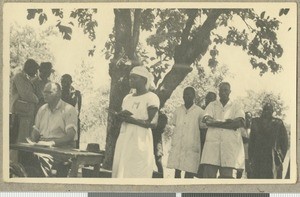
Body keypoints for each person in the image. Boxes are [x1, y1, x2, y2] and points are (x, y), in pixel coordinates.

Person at [112, 66, 159, 178]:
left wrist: (131, 120)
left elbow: (153, 123)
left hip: (140, 139)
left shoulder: (151, 97)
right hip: (124, 138)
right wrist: (119, 117)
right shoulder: (127, 98)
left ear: (143, 80)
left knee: (137, 172)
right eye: (130, 78)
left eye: (134, 78)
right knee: (122, 171)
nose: (130, 80)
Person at [26, 82, 78, 177]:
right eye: (44, 92)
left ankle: (45, 186)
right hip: (42, 147)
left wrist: (52, 143)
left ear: (58, 94)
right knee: (24, 156)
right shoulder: (42, 109)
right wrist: (31, 140)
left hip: (62, 149)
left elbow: (70, 136)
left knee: (39, 157)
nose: (44, 94)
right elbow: (35, 132)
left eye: (48, 92)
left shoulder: (69, 109)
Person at [201, 82, 245, 178]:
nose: (224, 92)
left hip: (229, 149)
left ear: (230, 92)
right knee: (208, 180)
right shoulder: (212, 105)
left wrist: (215, 123)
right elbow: (207, 121)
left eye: (226, 90)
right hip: (212, 149)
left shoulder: (236, 106)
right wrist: (227, 122)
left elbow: (239, 123)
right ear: (219, 92)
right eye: (221, 90)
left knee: (226, 181)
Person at [167, 87, 205, 178]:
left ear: (194, 96)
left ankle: (187, 190)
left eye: (189, 94)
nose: (186, 96)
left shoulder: (200, 112)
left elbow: (203, 129)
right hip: (179, 144)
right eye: (184, 94)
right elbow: (175, 124)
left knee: (189, 171)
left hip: (192, 145)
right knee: (177, 169)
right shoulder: (178, 110)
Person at [248, 103, 288, 179]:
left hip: (272, 158)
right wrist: (251, 158)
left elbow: (284, 142)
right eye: (265, 110)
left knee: (272, 180)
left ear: (272, 112)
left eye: (269, 110)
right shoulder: (255, 122)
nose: (267, 112)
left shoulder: (278, 123)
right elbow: (251, 142)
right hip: (257, 158)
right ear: (262, 111)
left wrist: (280, 157)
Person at [10, 59, 39, 143]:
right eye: (35, 69)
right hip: (20, 114)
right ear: (29, 68)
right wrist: (37, 100)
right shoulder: (19, 77)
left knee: (26, 140)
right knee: (20, 140)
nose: (36, 72)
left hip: (27, 114)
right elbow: (25, 94)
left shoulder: (26, 78)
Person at [198, 91, 216, 178]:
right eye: (207, 98)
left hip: (212, 138)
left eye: (211, 99)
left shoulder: (217, 111)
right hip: (200, 137)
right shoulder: (201, 110)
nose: (208, 100)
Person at [61, 74, 82, 149]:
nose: (65, 84)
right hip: (61, 119)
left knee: (74, 142)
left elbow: (78, 108)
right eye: (63, 82)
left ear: (71, 82)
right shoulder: (59, 93)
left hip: (73, 119)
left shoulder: (77, 93)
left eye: (67, 82)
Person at [151, 112, 168, 178]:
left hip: (157, 139)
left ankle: (161, 177)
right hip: (150, 138)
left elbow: (162, 128)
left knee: (158, 160)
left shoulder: (162, 116)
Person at [236, 111, 252, 178]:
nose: (248, 119)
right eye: (246, 117)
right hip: (240, 154)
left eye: (249, 117)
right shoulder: (239, 129)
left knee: (249, 173)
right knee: (239, 173)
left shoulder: (252, 130)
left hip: (249, 155)